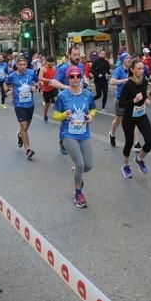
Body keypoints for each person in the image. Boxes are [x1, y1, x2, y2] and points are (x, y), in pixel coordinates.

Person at [53, 65, 96, 208]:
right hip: (68, 134)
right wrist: (63, 115)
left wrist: (91, 116)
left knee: (88, 166)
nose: (75, 78)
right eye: (72, 76)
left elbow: (93, 108)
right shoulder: (62, 95)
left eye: (78, 75)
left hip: (84, 133)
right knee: (80, 163)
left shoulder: (87, 94)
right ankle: (78, 194)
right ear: (68, 78)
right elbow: (55, 115)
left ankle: (76, 171)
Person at [118, 58, 151, 179]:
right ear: (132, 70)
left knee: (149, 141)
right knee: (129, 143)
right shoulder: (128, 85)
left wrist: (146, 99)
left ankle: (139, 159)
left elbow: (143, 95)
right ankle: (125, 165)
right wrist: (134, 100)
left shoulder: (144, 81)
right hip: (129, 117)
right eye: (138, 68)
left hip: (141, 115)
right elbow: (121, 104)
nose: (141, 71)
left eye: (142, 68)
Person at [5, 56, 37, 160]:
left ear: (26, 65)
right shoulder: (12, 76)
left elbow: (37, 82)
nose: (22, 67)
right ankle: (28, 150)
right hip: (19, 105)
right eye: (20, 65)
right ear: (16, 65)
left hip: (30, 104)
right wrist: (7, 92)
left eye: (24, 65)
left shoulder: (31, 73)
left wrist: (35, 87)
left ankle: (20, 135)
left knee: (26, 127)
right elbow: (6, 84)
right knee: (23, 127)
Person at [109, 52, 132, 148]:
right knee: (118, 119)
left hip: (130, 99)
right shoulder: (119, 70)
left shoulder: (131, 70)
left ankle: (136, 143)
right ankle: (112, 133)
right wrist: (124, 81)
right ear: (123, 60)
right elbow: (112, 81)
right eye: (127, 58)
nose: (129, 60)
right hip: (120, 99)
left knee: (133, 120)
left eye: (129, 58)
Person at [38, 56, 58, 123]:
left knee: (57, 99)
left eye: (52, 64)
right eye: (49, 64)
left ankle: (57, 114)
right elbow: (40, 78)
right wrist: (49, 80)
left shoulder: (54, 68)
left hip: (53, 87)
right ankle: (45, 115)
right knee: (47, 103)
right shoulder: (43, 69)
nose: (51, 65)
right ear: (47, 62)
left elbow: (56, 77)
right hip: (46, 89)